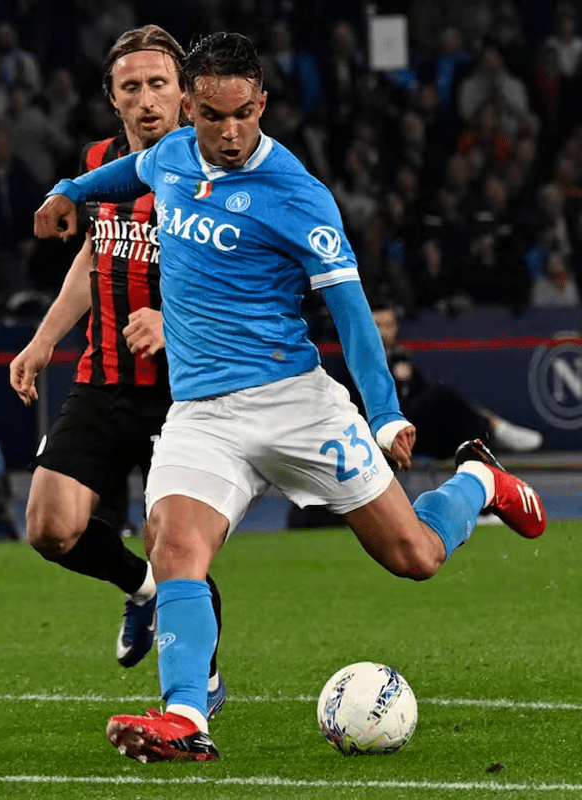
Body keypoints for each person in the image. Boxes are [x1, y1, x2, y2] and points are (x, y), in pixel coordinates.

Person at [34, 32, 547, 763]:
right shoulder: (172, 154)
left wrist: (385, 413)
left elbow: (352, 314)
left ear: (263, 104)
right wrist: (70, 191)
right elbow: (129, 172)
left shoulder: (298, 196)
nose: (230, 132)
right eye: (214, 117)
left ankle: (477, 481)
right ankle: (186, 716)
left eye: (244, 113)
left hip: (295, 406)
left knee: (415, 556)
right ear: (191, 109)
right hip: (203, 414)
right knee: (174, 547)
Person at [8, 25, 224, 717]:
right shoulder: (99, 164)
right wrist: (43, 340)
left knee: (176, 543)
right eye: (132, 87)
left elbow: (242, 281)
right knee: (49, 526)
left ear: (184, 95)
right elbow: (92, 255)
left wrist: (170, 320)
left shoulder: (215, 172)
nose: (146, 98)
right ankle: (141, 589)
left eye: (159, 84)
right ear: (113, 98)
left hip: (184, 394)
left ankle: (199, 684)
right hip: (103, 381)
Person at [372, 306, 542, 457]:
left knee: (448, 405)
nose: (383, 332)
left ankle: (490, 429)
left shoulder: (400, 356)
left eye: (389, 325)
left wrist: (406, 379)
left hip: (416, 430)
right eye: (378, 325)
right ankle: (491, 431)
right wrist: (397, 380)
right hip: (386, 432)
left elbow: (420, 389)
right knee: (442, 394)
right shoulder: (363, 361)